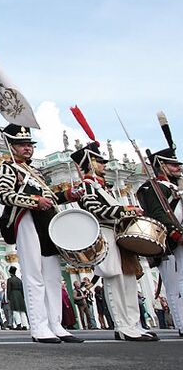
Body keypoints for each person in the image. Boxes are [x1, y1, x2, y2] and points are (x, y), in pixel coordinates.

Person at [0, 124, 83, 343]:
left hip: (48, 225)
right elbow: (4, 195)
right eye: (22, 145)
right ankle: (39, 326)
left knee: (53, 277)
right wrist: (34, 201)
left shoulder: (35, 172)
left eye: (29, 145)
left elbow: (50, 196)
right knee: (34, 275)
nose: (27, 149)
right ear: (11, 146)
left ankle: (56, 324)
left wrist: (67, 194)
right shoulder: (8, 168)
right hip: (26, 221)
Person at [73, 141, 155, 341]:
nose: (104, 165)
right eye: (99, 161)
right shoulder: (86, 186)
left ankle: (134, 323)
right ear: (89, 163)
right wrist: (124, 210)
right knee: (114, 278)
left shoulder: (103, 187)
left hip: (118, 233)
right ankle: (122, 325)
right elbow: (94, 208)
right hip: (105, 232)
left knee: (127, 278)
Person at [137, 147, 183, 337]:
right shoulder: (153, 187)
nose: (177, 167)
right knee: (176, 285)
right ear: (161, 166)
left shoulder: (176, 187)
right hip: (172, 244)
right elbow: (156, 213)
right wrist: (176, 234)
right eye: (172, 165)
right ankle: (181, 323)